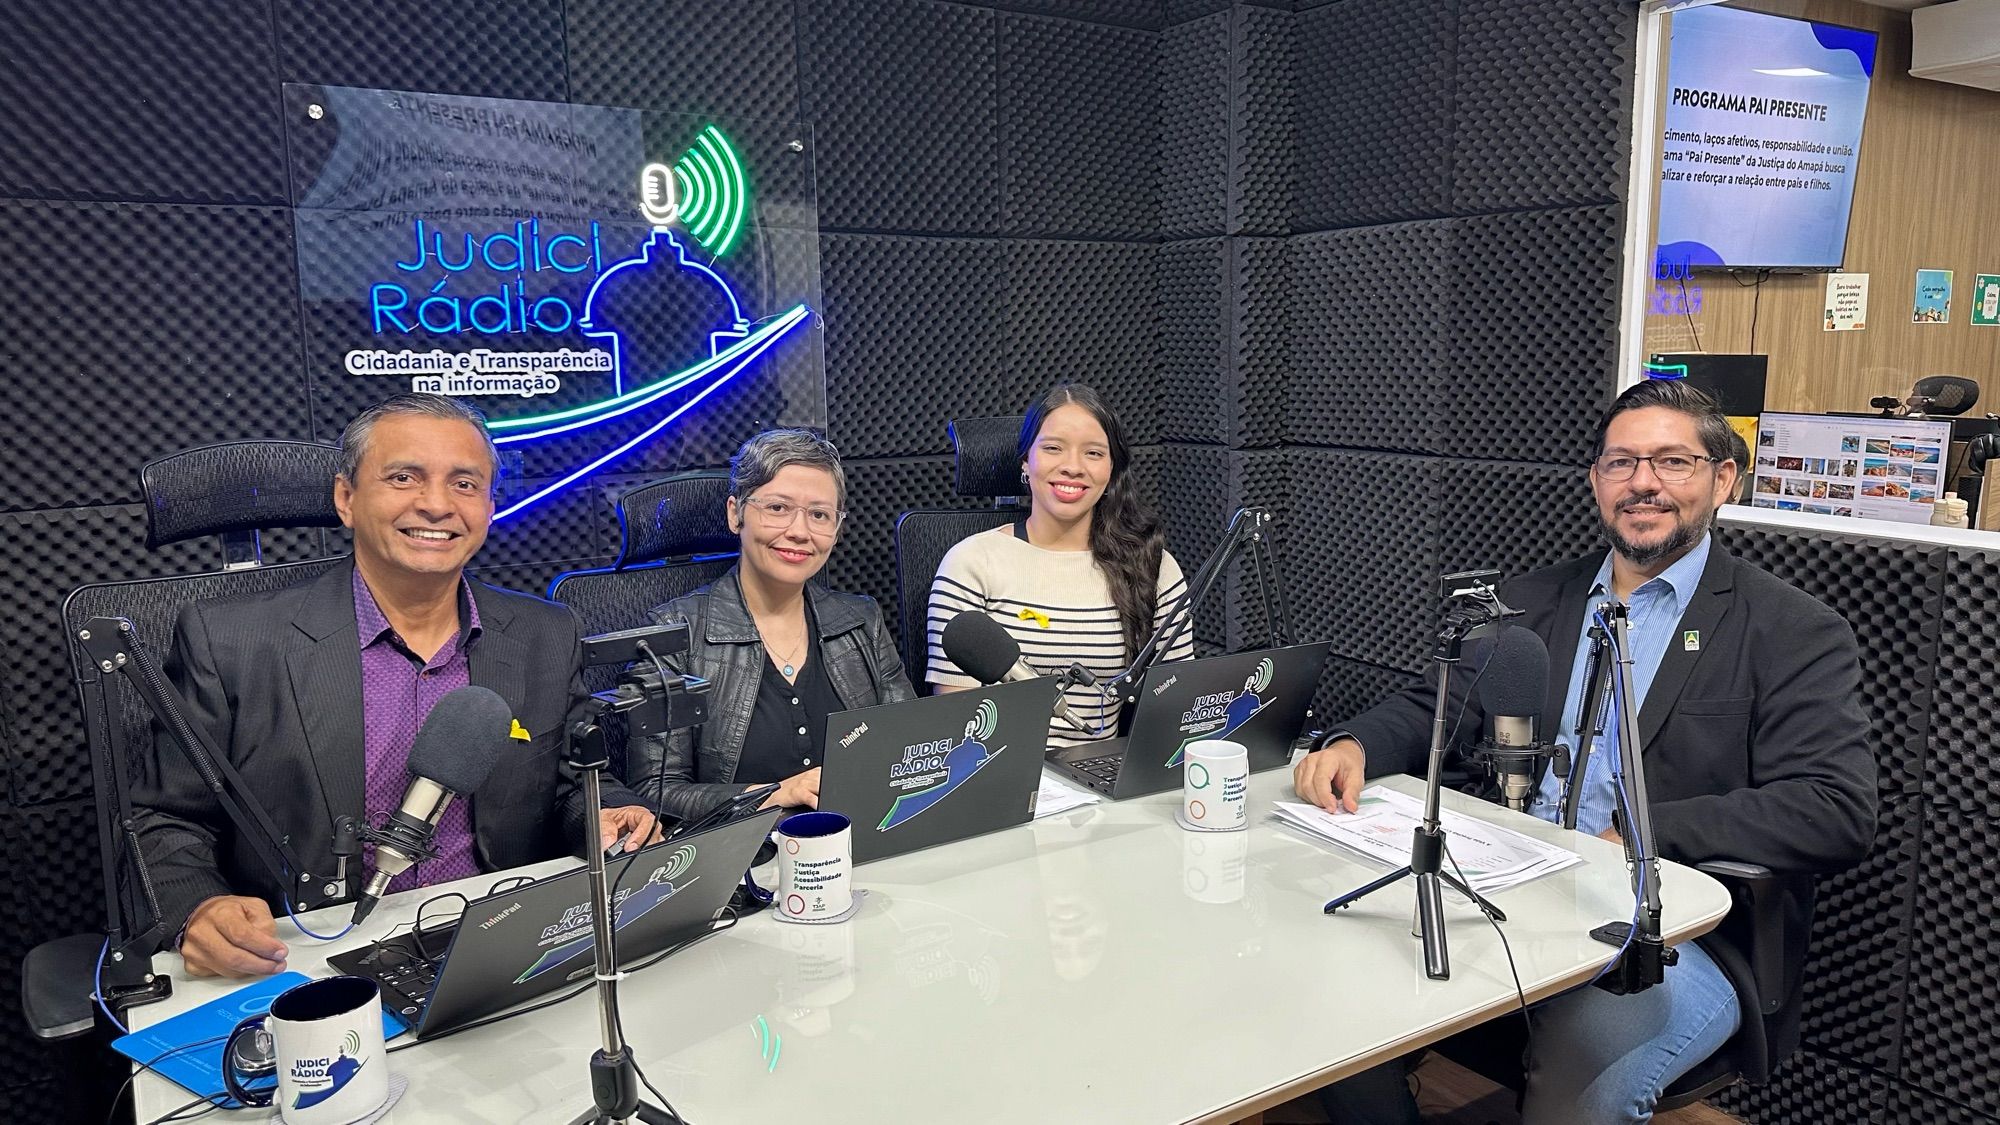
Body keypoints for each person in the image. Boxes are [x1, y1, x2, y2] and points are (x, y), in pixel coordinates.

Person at [1294, 380, 1876, 1125]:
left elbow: (1836, 807)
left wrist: (1645, 834)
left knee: (1586, 1078)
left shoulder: (1791, 629)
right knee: (1327, 990)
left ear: (1723, 477)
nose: (1643, 482)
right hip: (1509, 886)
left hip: (1672, 928)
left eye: (1673, 461)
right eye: (1621, 462)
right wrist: (1353, 742)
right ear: (1596, 481)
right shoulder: (1531, 599)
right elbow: (1432, 706)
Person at [131, 394, 660, 979]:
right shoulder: (229, 640)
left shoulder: (545, 634)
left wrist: (609, 812)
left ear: (488, 506)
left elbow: (569, 786)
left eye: (464, 484)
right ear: (346, 498)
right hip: (307, 963)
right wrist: (198, 909)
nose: (436, 505)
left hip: (501, 950)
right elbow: (164, 818)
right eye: (404, 477)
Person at [630, 429, 914, 822]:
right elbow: (654, 793)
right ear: (736, 513)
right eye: (778, 508)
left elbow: (911, 749)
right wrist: (778, 794)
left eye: (819, 514)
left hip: (863, 848)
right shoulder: (672, 634)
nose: (799, 531)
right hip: (742, 869)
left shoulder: (861, 622)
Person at [925, 384, 1193, 743]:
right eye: (1053, 448)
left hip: (1106, 783)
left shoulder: (1153, 565)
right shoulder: (970, 563)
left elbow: (1180, 704)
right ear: (1025, 461)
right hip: (1003, 779)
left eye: (1094, 453)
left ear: (1112, 470)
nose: (1072, 467)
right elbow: (956, 718)